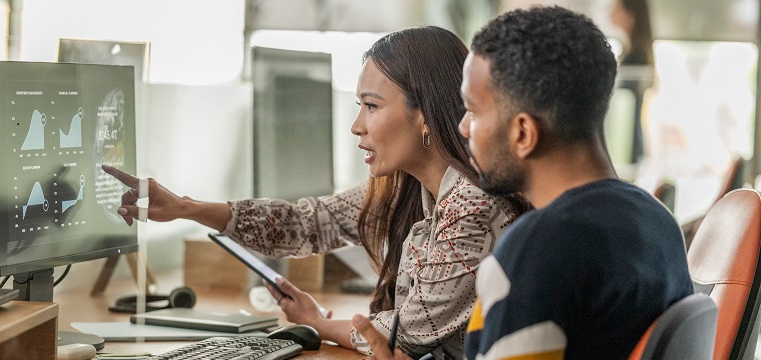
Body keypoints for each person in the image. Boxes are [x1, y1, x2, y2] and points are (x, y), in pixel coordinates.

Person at [103, 25, 528, 359]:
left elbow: (408, 335)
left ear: (426, 115)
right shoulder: (407, 189)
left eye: (371, 106)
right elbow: (304, 224)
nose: (357, 126)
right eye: (359, 106)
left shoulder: (472, 204)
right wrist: (185, 208)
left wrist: (317, 323)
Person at [355, 6, 693, 359]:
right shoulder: (658, 220)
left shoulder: (537, 250)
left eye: (473, 111)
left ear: (523, 134)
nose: (463, 128)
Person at [611, 0, 655, 164]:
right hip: (627, 139)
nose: (611, 13)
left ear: (630, 16)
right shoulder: (629, 52)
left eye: (616, 8)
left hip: (626, 140)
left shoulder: (636, 57)